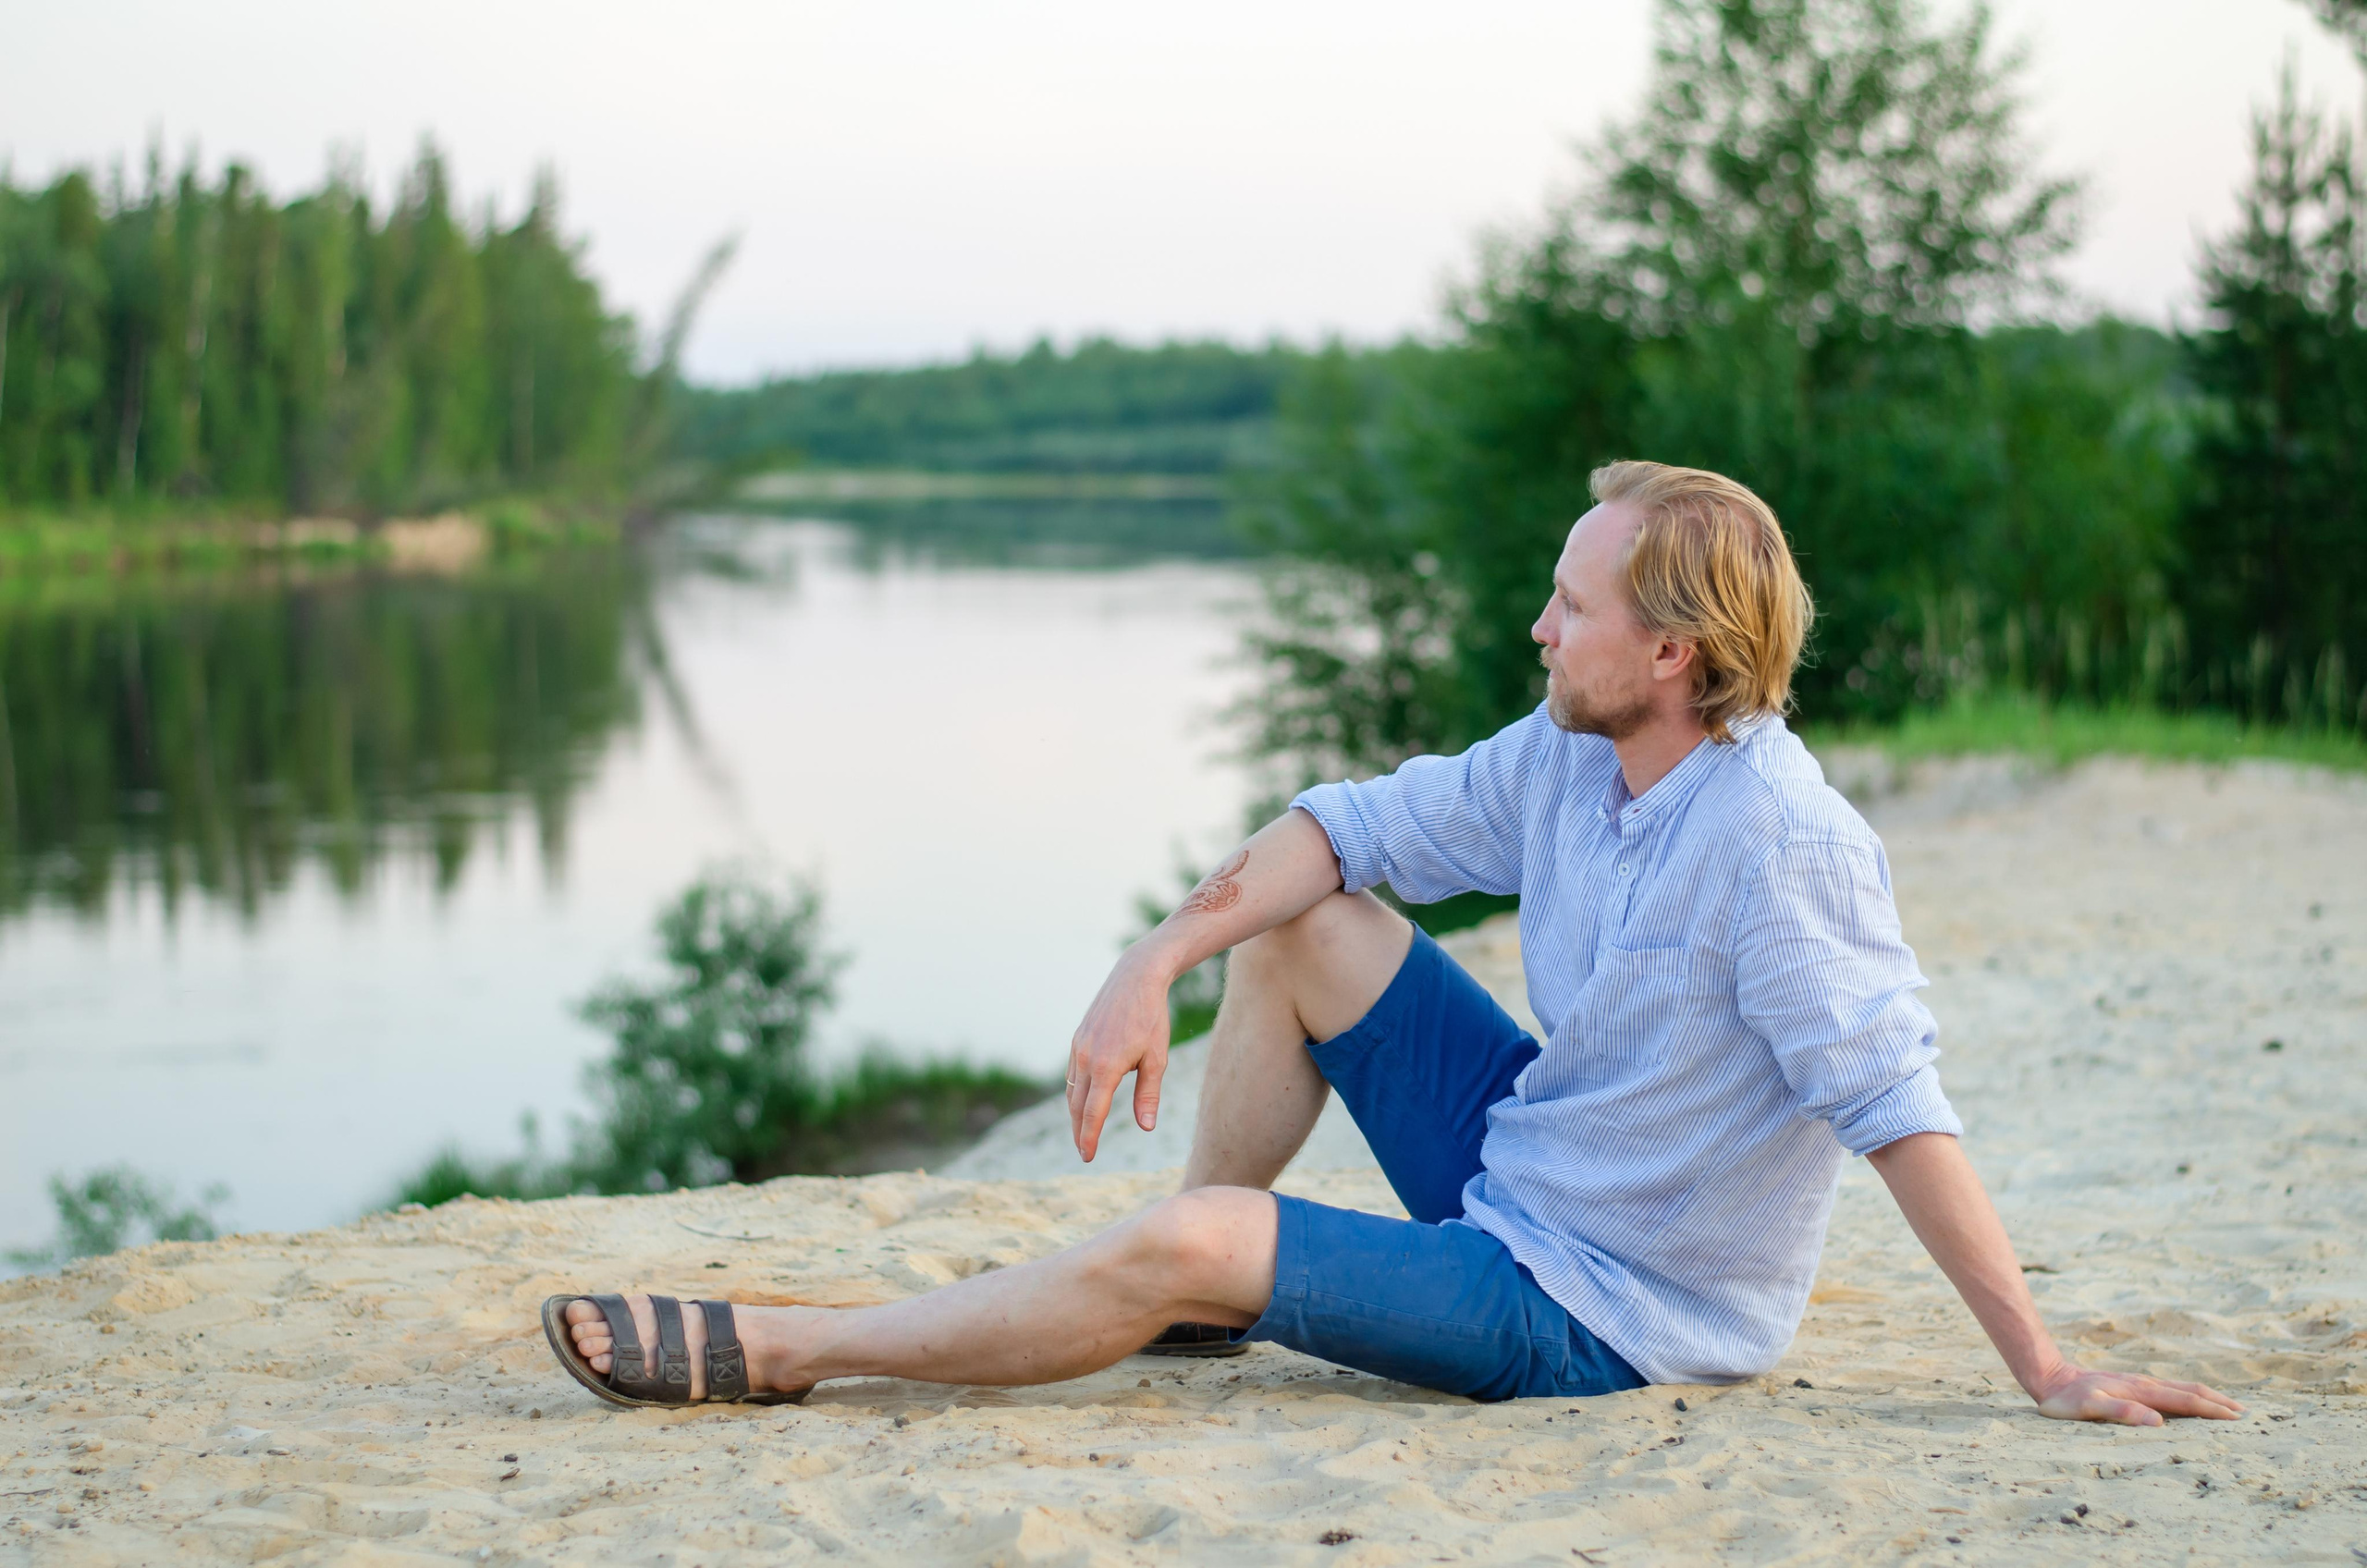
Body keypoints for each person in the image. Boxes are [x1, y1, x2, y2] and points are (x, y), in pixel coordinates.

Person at [541, 460, 2240, 1426]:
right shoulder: (1572, 756)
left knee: (1208, 1230)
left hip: (1603, 1307)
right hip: (1533, 1161)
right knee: (1307, 929)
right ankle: (1202, 1294)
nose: (1539, 622)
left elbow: (1896, 1104)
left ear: (1673, 654)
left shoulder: (1782, 847)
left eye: (1571, 605)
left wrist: (2048, 1363)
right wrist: (1155, 960)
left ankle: (789, 1349)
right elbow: (1340, 829)